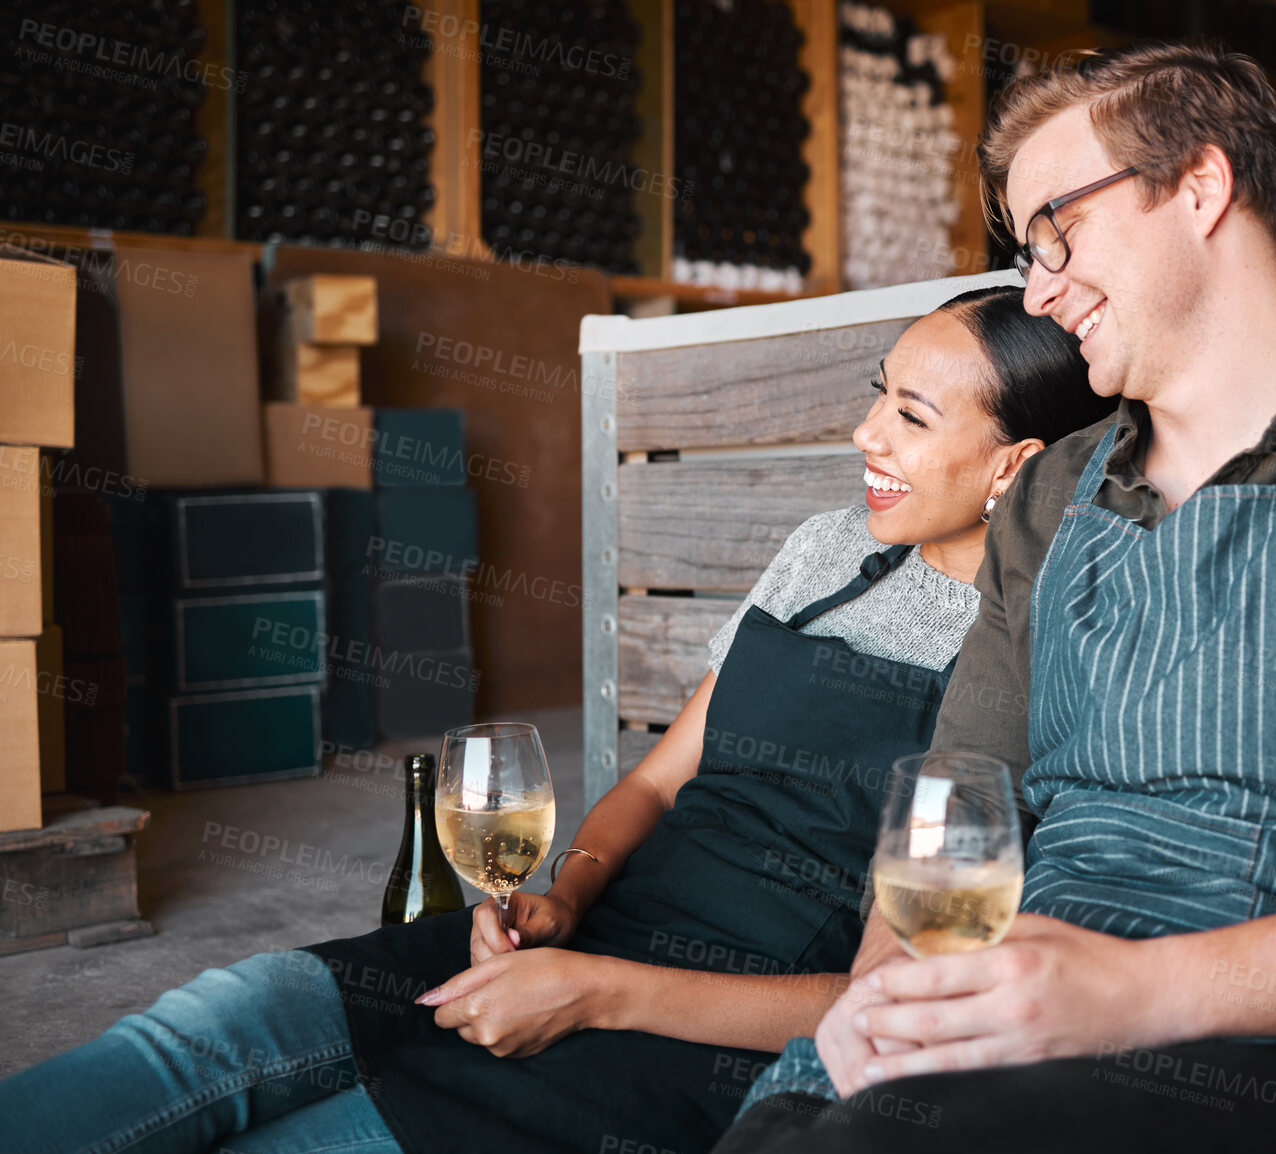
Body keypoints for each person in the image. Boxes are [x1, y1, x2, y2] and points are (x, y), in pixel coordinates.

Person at [717, 43, 1276, 1154]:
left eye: (1057, 233)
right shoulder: (1048, 495)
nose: (1037, 289)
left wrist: (1132, 991)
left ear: (1200, 184)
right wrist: (886, 999)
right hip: (1003, 1027)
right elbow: (955, 800)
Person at [0, 286, 1116, 1154]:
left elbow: (883, 1003)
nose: (865, 433)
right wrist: (562, 895)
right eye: (879, 392)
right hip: (601, 929)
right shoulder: (829, 552)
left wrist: (595, 991)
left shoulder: (1027, 665)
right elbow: (658, 779)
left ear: (1012, 465)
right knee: (222, 1016)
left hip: (716, 1029)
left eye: (911, 416)